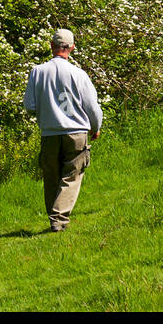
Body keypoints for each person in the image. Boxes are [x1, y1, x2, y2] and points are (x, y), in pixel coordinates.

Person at [25, 29, 103, 232]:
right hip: (76, 131)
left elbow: (29, 105)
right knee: (72, 175)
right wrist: (96, 127)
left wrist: (46, 107)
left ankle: (55, 218)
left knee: (51, 176)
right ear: (72, 48)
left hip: (49, 132)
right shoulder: (78, 74)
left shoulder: (37, 72)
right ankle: (59, 218)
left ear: (51, 46)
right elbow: (92, 106)